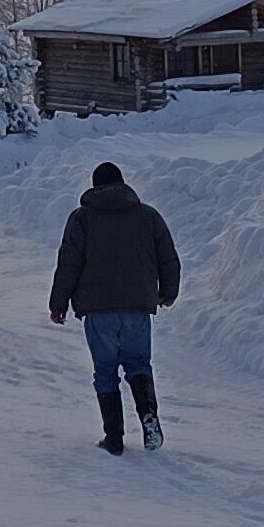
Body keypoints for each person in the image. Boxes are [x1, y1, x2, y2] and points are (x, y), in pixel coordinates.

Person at [46, 160, 181, 455]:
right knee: (138, 364)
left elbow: (69, 263)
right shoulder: (148, 216)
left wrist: (58, 304)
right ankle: (148, 415)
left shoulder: (82, 219)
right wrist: (167, 293)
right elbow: (168, 257)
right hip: (137, 306)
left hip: (97, 310)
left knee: (105, 371)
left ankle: (114, 437)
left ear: (95, 187)